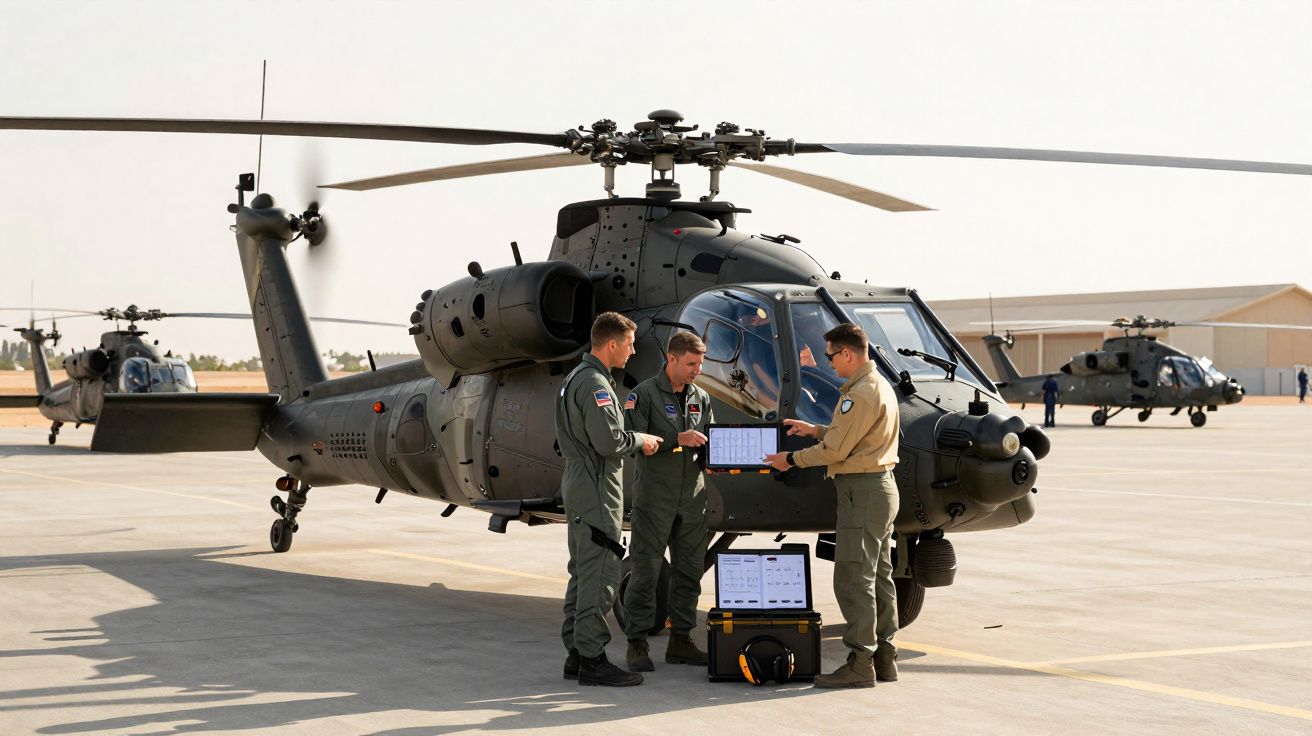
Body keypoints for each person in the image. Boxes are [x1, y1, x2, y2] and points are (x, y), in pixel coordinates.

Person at [765, 322, 901, 689]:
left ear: (848, 354)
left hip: (862, 491)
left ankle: (859, 663)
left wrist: (790, 460)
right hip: (880, 488)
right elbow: (854, 436)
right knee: (879, 576)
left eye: (830, 357)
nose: (828, 364)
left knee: (854, 579)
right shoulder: (878, 386)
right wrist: (817, 430)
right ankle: (884, 658)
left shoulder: (858, 393)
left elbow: (836, 451)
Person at [556, 312, 662, 687]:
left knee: (582, 573)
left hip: (581, 484)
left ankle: (575, 655)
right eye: (630, 344)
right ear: (612, 344)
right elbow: (609, 442)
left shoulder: (575, 378)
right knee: (601, 576)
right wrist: (641, 440)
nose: (633, 352)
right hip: (598, 489)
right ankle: (592, 660)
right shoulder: (596, 384)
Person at [623, 331, 715, 672]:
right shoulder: (642, 395)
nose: (697, 370)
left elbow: (710, 438)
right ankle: (637, 642)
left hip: (692, 498)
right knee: (645, 570)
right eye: (691, 364)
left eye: (700, 364)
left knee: (689, 572)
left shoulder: (701, 398)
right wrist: (676, 439)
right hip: (655, 498)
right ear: (671, 359)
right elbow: (632, 440)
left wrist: (720, 459)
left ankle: (681, 641)